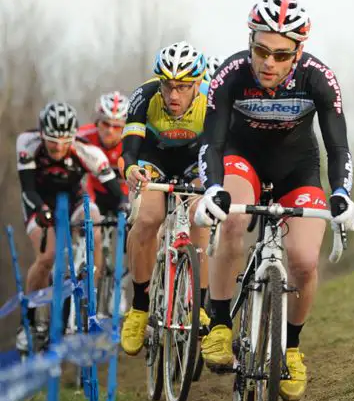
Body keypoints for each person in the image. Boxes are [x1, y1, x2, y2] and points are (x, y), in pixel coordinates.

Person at [194, 0, 354, 401]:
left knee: (303, 259)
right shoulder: (231, 74)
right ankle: (218, 322)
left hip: (297, 169)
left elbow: (337, 147)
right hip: (240, 159)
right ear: (250, 42)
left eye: (281, 54)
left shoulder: (319, 78)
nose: (269, 62)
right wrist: (212, 187)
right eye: (261, 50)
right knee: (231, 220)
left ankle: (291, 348)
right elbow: (210, 142)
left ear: (298, 53)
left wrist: (341, 193)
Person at [118, 41, 212, 356]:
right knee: (147, 219)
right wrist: (130, 168)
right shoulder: (144, 96)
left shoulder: (212, 100)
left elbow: (219, 148)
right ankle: (140, 307)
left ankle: (199, 300)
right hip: (152, 159)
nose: (174, 96)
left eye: (183, 87)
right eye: (168, 86)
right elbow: (129, 148)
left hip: (193, 162)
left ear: (198, 83)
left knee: (202, 214)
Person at [14, 102, 126, 352]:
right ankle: (28, 322)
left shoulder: (86, 151)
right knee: (48, 256)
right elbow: (28, 189)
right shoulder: (27, 143)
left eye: (65, 140)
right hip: (38, 203)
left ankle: (91, 293)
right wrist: (42, 211)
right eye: (53, 140)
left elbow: (115, 189)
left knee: (95, 227)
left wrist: (123, 204)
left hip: (74, 200)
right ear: (42, 134)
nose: (59, 146)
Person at [78, 92, 130, 216]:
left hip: (126, 194)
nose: (109, 130)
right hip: (93, 192)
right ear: (97, 122)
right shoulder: (83, 136)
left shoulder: (131, 141)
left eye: (117, 127)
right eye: (105, 123)